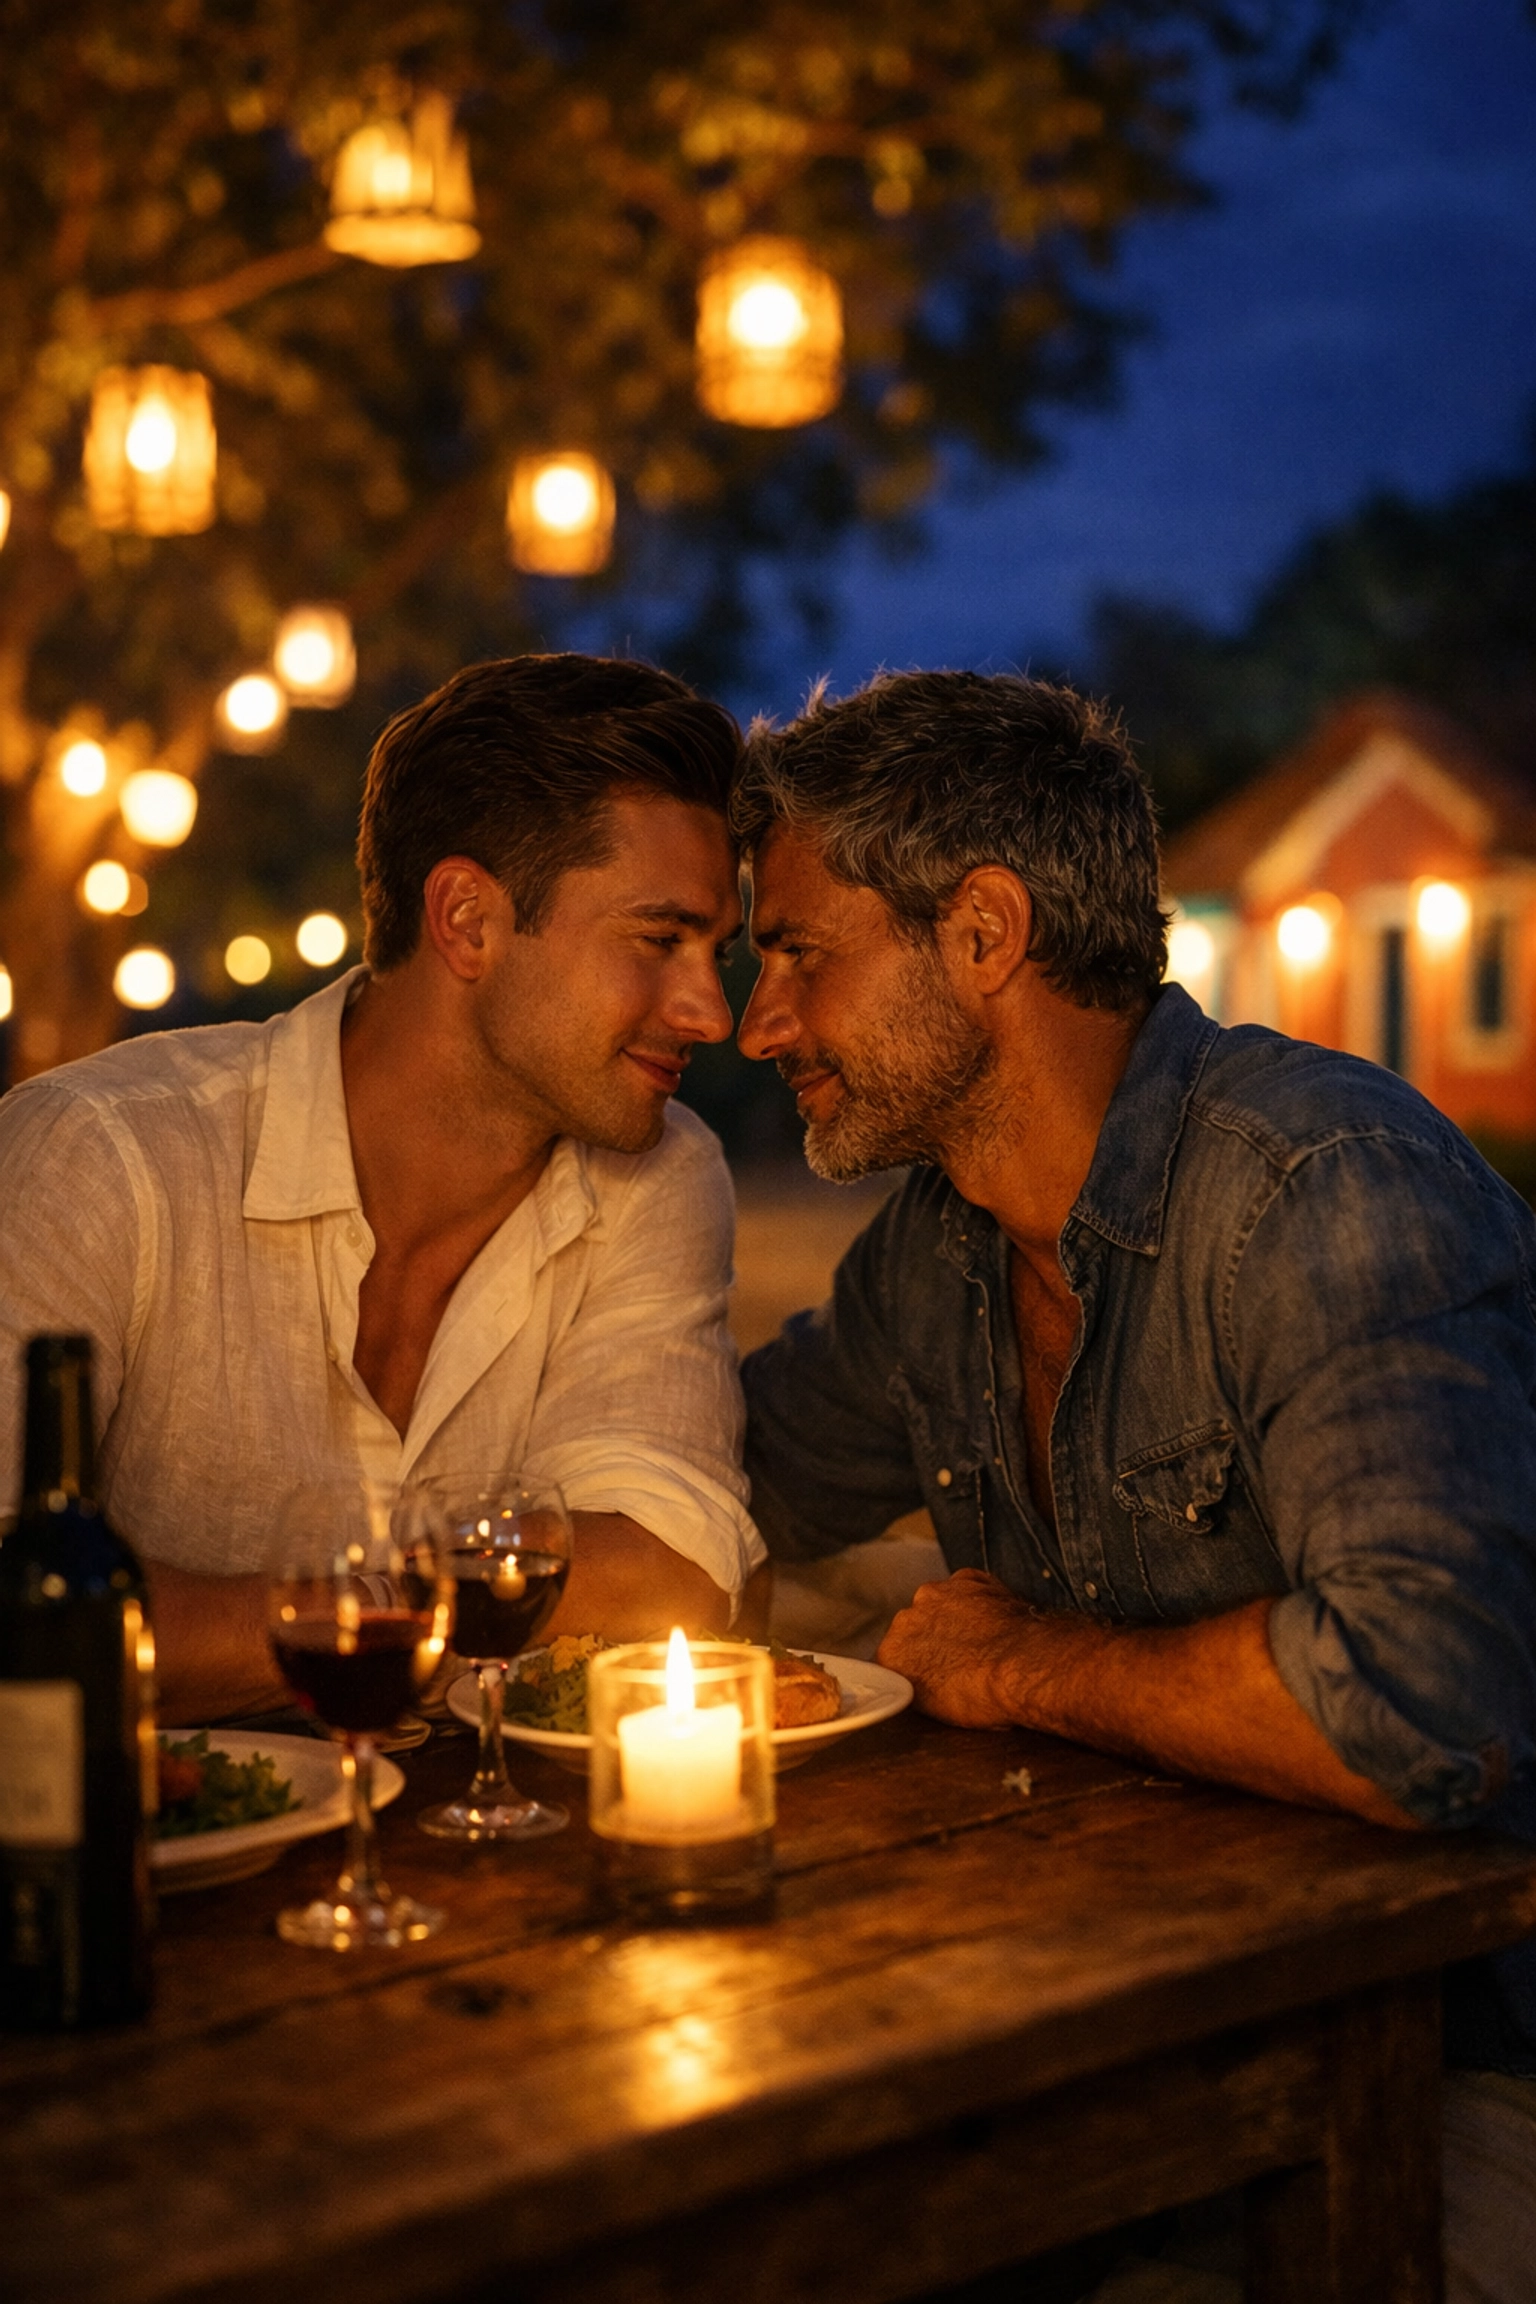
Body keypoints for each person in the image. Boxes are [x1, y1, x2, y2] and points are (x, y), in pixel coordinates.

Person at [732, 669, 1536, 2301]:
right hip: (1138, 2034)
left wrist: (1023, 1659)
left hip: (1459, 2057)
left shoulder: (1324, 1191)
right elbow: (723, 1487)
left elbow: (1422, 1699)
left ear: (982, 930)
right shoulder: (932, 1262)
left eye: (795, 952)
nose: (758, 1023)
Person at [0, 653, 764, 1723]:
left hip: (474, 1867)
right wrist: (458, 1603)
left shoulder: (662, 1172)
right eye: (660, 939)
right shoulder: (102, 1157)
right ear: (465, 920)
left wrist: (261, 1624)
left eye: (715, 953)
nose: (709, 1014)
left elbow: (665, 1570)